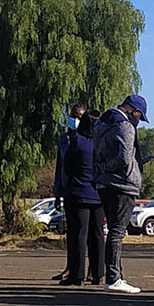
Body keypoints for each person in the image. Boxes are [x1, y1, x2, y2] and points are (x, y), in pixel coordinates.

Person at [94, 94, 149, 292]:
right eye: (139, 117)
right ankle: (114, 278)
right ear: (133, 111)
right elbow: (125, 158)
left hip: (104, 183)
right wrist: (132, 169)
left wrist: (103, 169)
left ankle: (116, 275)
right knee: (118, 232)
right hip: (123, 185)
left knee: (113, 231)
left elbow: (99, 153)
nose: (139, 121)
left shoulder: (101, 124)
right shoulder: (125, 126)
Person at [57, 111, 103, 285]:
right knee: (97, 234)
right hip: (98, 194)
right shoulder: (101, 143)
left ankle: (77, 275)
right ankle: (98, 273)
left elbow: (67, 164)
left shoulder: (77, 141)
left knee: (78, 235)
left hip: (78, 193)